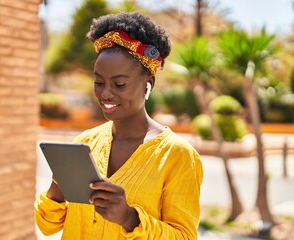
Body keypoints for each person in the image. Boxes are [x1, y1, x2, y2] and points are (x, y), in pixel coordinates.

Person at [34, 11, 203, 239]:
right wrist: (57, 189)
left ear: (148, 84)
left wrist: (129, 218)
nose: (105, 94)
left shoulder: (178, 156)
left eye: (119, 84)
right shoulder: (85, 143)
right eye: (98, 82)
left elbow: (184, 236)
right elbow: (47, 226)